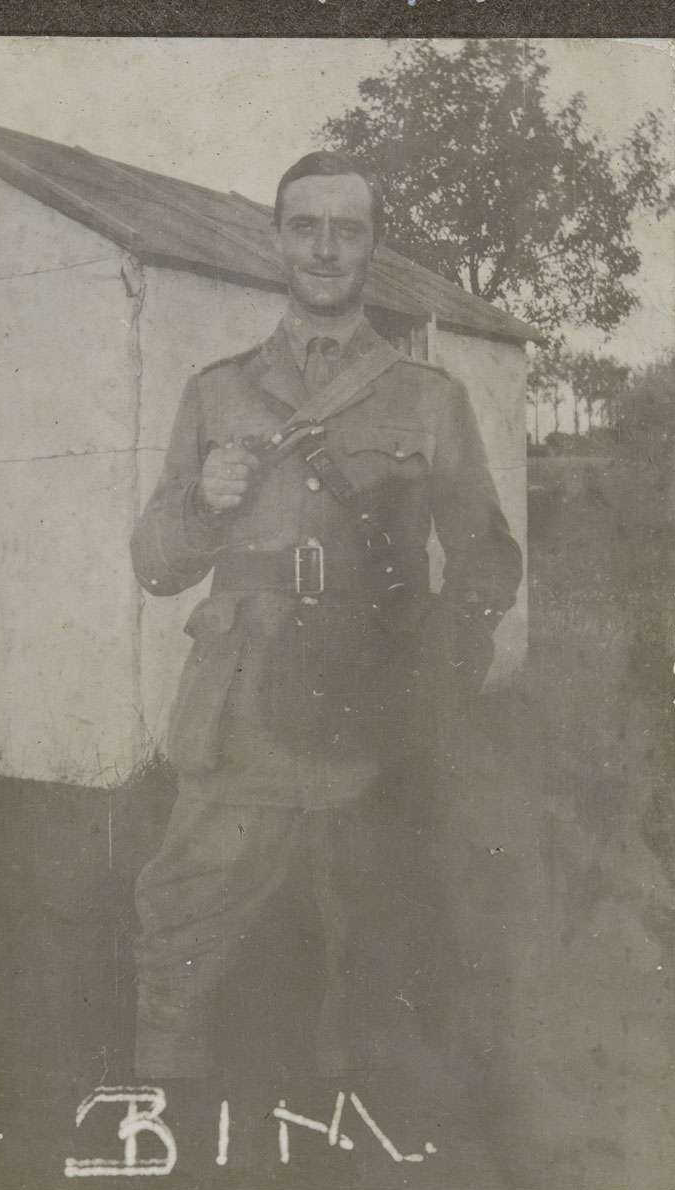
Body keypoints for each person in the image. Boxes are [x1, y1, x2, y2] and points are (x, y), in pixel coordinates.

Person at [130, 151, 522, 1093]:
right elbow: (155, 565)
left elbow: (487, 557)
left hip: (372, 717)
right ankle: (160, 1140)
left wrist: (437, 675)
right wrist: (206, 507)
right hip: (244, 715)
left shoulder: (428, 398)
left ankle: (360, 1164)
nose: (325, 246)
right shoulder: (214, 391)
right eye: (305, 225)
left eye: (348, 228)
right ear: (276, 239)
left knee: (374, 942)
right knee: (180, 934)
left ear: (374, 246)